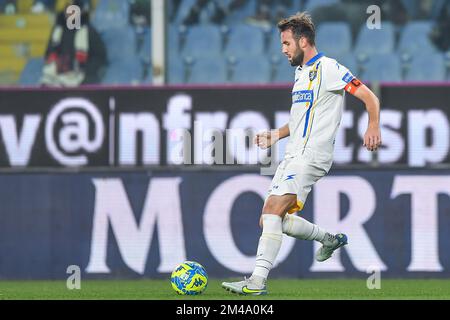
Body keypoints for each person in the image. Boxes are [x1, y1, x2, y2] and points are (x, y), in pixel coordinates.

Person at [222, 12, 381, 295]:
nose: (283, 51)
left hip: (312, 155)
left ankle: (257, 283)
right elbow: (298, 121)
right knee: (271, 219)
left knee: (272, 210)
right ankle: (329, 239)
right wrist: (275, 135)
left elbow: (369, 97)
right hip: (293, 154)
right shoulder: (299, 74)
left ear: (303, 41)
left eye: (286, 44)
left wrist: (373, 125)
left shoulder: (329, 68)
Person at [40, 0, 106, 86]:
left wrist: (85, 69)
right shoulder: (57, 31)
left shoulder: (89, 32)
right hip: (57, 75)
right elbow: (49, 52)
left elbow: (99, 56)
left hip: (82, 76)